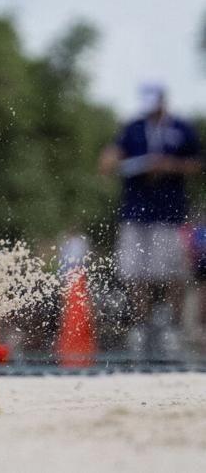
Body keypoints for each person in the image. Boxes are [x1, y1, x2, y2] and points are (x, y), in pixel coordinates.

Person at [98, 83, 202, 357]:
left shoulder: (182, 128)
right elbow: (110, 160)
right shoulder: (133, 127)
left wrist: (169, 166)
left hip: (169, 214)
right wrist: (112, 160)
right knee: (135, 272)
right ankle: (140, 326)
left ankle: (173, 328)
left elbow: (197, 163)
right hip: (135, 213)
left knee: (172, 273)